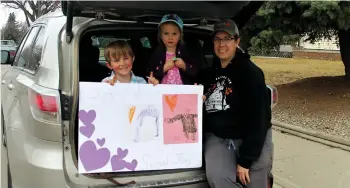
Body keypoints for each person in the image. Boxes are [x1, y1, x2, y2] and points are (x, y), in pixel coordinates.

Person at [197, 19, 273, 188]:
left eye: (227, 39)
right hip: (219, 137)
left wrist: (246, 161)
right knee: (219, 178)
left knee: (254, 182)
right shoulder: (206, 75)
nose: (221, 44)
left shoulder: (252, 73)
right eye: (217, 39)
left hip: (252, 137)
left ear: (237, 41)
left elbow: (258, 119)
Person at [148, 14, 197, 85]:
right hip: (163, 92)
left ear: (180, 36)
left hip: (182, 91)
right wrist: (164, 68)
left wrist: (184, 66)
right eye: (166, 33)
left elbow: (195, 71)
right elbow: (150, 71)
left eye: (174, 34)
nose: (170, 37)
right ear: (161, 36)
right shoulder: (158, 52)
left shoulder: (184, 51)